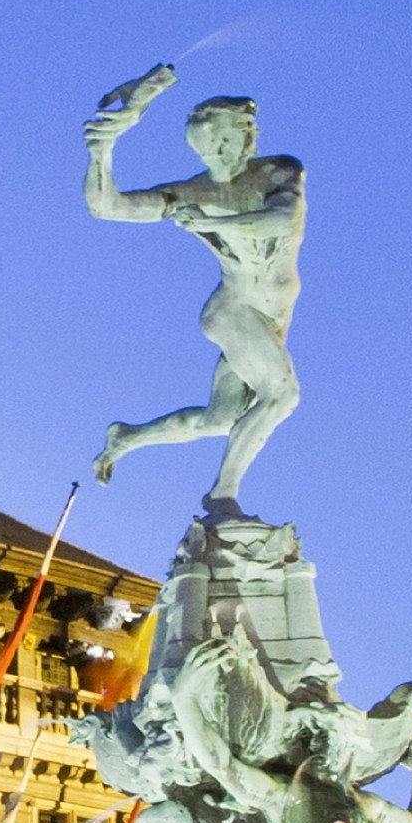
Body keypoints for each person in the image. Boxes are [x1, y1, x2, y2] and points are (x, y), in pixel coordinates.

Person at [83, 65, 305, 502]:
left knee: (221, 420)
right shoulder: (191, 193)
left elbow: (283, 218)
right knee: (281, 395)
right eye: (208, 150)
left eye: (226, 142)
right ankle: (223, 495)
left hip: (274, 314)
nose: (220, 155)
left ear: (247, 136)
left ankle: (126, 437)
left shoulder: (278, 170)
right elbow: (107, 207)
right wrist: (101, 151)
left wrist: (216, 220)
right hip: (233, 309)